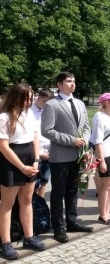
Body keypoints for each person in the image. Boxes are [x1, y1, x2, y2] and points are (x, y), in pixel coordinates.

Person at [41, 72, 93, 243]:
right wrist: (71, 141)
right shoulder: (52, 105)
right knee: (58, 192)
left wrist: (85, 138)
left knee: (72, 190)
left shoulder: (79, 103)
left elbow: (86, 125)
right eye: (69, 81)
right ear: (59, 84)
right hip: (61, 156)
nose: (72, 84)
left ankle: (72, 220)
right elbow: (47, 130)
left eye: (74, 81)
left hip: (77, 155)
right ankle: (58, 226)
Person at [0, 84, 46, 259]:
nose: (30, 100)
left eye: (31, 97)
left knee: (27, 200)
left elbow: (35, 137)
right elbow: (3, 147)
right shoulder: (4, 117)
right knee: (7, 203)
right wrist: (21, 167)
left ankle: (29, 236)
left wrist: (35, 159)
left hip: (30, 158)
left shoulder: (29, 115)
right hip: (12, 160)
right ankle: (5, 243)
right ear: (16, 97)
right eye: (27, 97)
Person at [90, 93, 110, 225]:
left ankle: (107, 212)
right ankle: (103, 214)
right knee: (105, 186)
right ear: (107, 103)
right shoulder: (100, 117)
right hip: (106, 155)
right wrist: (101, 160)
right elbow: (98, 141)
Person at [31, 88, 55, 197]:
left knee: (44, 181)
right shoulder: (30, 112)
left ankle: (41, 205)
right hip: (35, 152)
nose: (46, 105)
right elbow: (32, 135)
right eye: (44, 102)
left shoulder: (49, 111)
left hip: (49, 152)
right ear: (38, 97)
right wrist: (40, 152)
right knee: (34, 183)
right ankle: (33, 206)